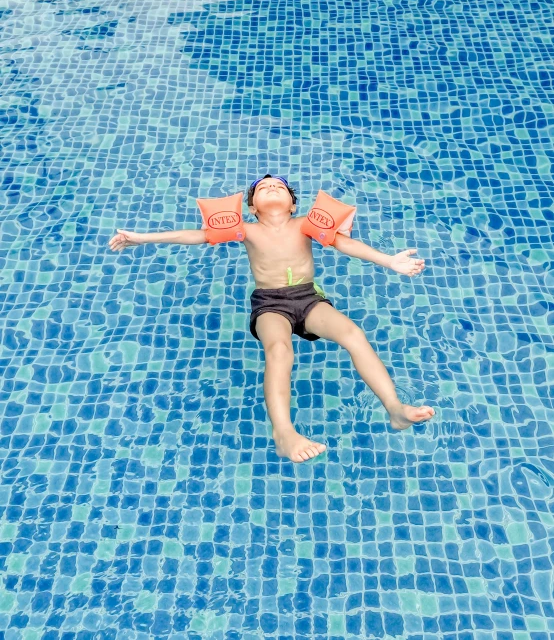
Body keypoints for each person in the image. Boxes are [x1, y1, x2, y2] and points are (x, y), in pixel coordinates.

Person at [109, 175, 435, 463]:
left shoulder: (306, 224)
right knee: (279, 350)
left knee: (352, 333)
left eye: (278, 186)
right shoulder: (247, 230)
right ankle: (284, 433)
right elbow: (193, 235)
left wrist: (388, 261)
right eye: (263, 188)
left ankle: (395, 409)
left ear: (293, 204)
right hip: (270, 304)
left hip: (309, 298)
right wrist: (142, 237)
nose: (271, 186)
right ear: (252, 208)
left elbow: (345, 243)